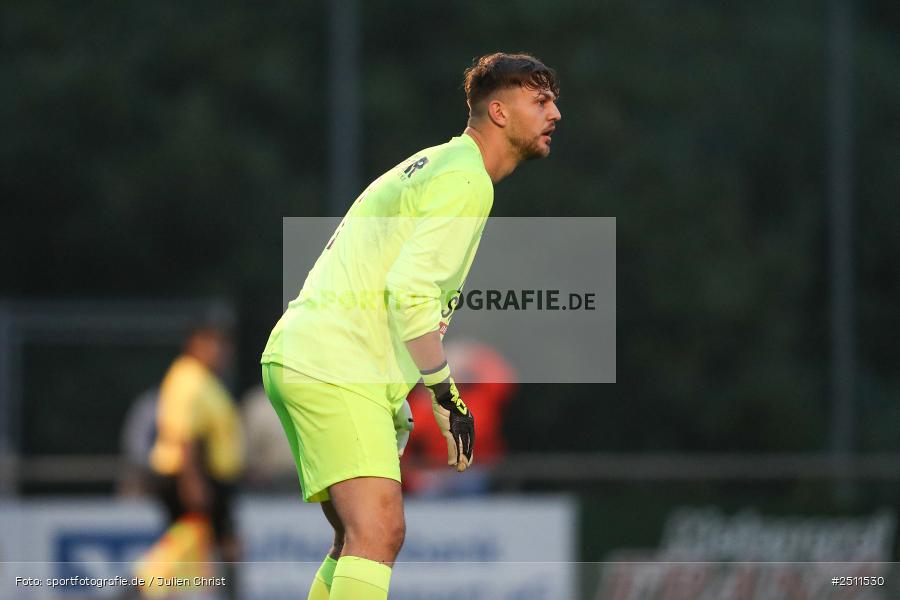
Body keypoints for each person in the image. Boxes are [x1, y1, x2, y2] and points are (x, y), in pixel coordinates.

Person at [260, 52, 561, 600]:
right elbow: (410, 293)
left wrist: (393, 394)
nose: (555, 113)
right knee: (379, 532)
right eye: (540, 101)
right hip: (335, 363)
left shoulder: (440, 165)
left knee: (354, 541)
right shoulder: (467, 179)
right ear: (498, 112)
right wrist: (446, 398)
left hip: (317, 356)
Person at [148, 324, 245, 599]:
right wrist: (193, 483)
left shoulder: (205, 379)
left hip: (207, 478)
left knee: (210, 549)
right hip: (192, 477)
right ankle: (141, 590)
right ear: (194, 345)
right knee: (185, 550)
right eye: (213, 344)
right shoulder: (189, 380)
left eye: (224, 345)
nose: (221, 352)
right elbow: (186, 435)